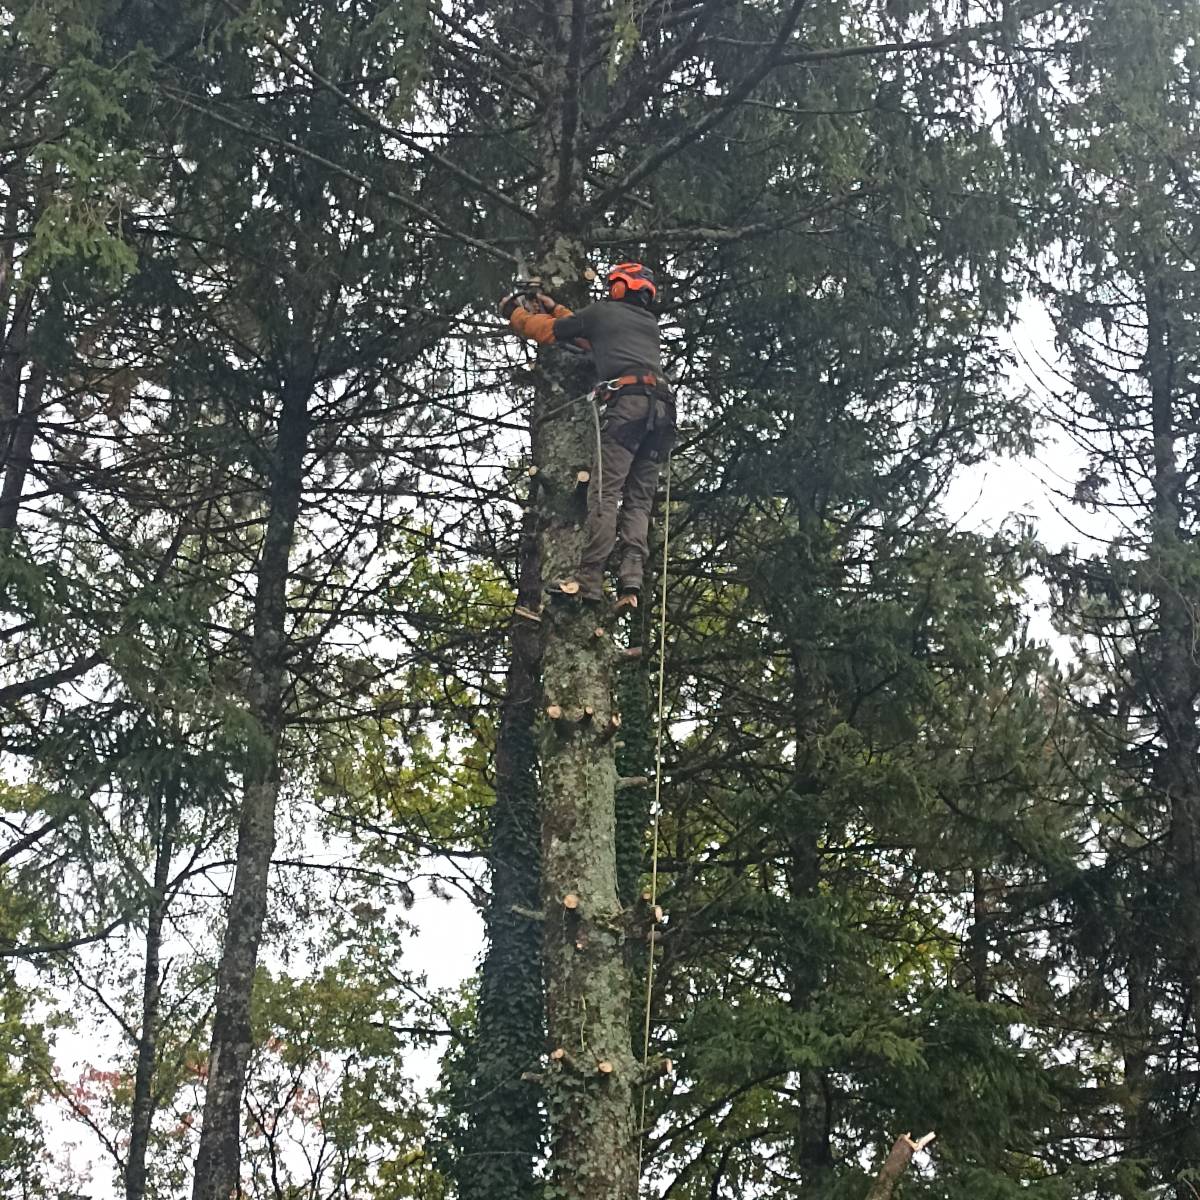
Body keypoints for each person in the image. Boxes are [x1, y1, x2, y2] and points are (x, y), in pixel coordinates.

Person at [499, 262, 674, 609]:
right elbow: (588, 335)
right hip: (664, 411)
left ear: (622, 286)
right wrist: (558, 309)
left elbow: (552, 332)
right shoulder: (647, 324)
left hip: (629, 407)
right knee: (639, 500)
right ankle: (631, 584)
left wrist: (514, 314)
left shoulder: (603, 312)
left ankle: (589, 581)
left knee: (604, 493)